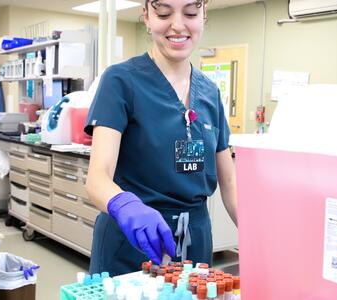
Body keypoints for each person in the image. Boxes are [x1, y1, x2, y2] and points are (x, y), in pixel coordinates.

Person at [84, 0, 237, 276]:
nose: (177, 25)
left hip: (195, 245)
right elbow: (97, 177)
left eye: (190, 12)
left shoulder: (211, 93)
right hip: (133, 243)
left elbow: (230, 182)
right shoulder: (120, 81)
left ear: (204, 14)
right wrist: (125, 206)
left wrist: (260, 236)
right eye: (164, 13)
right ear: (146, 16)